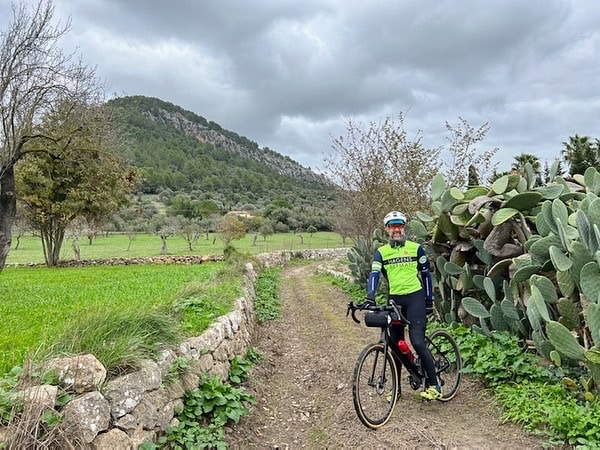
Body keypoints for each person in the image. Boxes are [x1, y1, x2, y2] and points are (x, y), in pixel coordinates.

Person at [365, 210, 441, 400]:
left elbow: (426, 276)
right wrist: (370, 297)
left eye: (399, 226)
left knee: (417, 341)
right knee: (396, 346)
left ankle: (434, 385)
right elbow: (374, 274)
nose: (396, 229)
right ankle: (397, 389)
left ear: (404, 227)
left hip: (415, 299)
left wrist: (429, 300)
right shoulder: (381, 252)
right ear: (387, 230)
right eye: (392, 226)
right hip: (395, 300)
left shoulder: (416, 249)